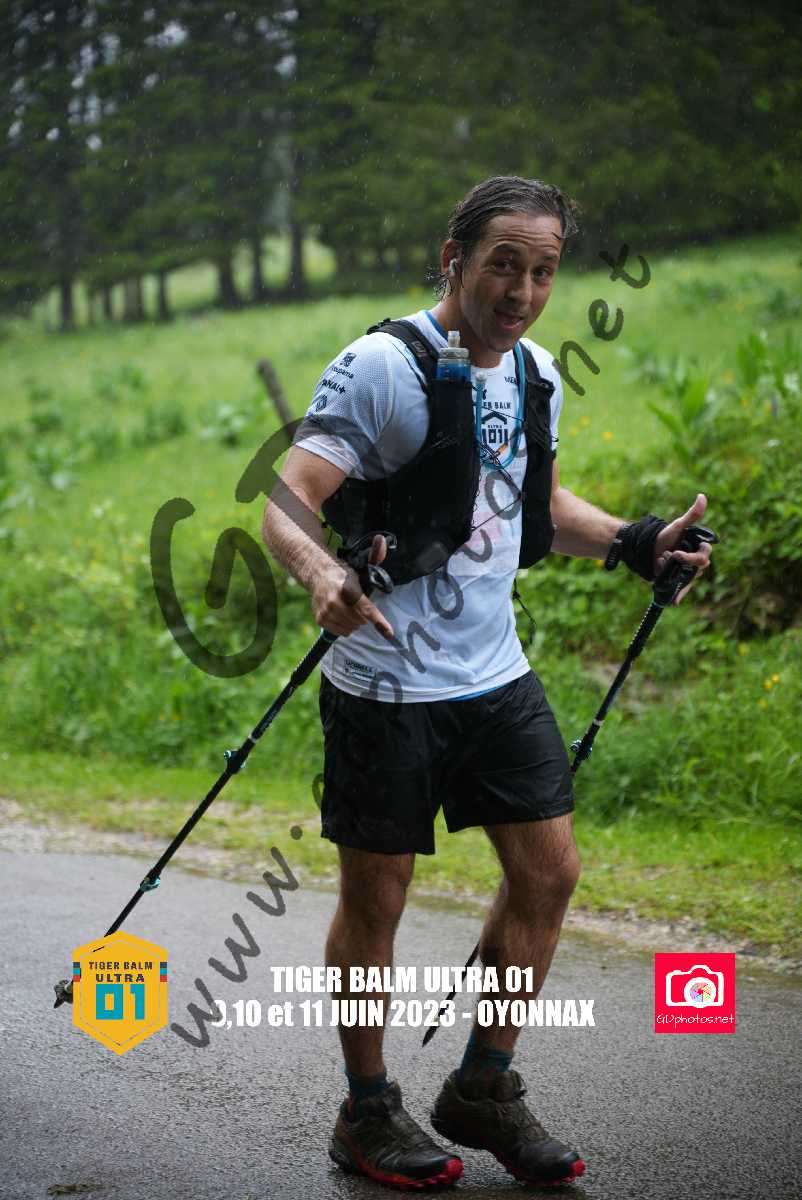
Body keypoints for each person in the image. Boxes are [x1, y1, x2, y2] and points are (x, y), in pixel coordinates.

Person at [262, 176, 712, 1190]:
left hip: (495, 678)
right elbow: (286, 502)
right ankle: (366, 1108)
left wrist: (637, 542)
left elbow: (533, 509)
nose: (523, 291)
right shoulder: (383, 367)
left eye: (543, 270)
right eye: (504, 264)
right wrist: (322, 574)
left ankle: (482, 1085)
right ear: (453, 259)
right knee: (377, 899)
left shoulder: (537, 373)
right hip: (384, 686)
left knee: (548, 875)